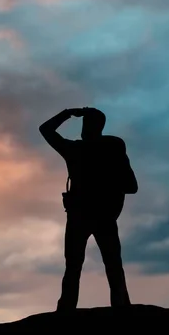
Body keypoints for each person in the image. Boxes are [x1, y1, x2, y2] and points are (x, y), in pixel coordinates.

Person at [39, 107, 138, 311]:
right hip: (99, 216)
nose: (85, 128)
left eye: (88, 123)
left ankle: (68, 309)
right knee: (106, 266)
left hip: (86, 216)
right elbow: (131, 186)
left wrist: (67, 114)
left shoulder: (76, 150)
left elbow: (46, 129)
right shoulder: (113, 147)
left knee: (79, 267)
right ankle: (120, 307)